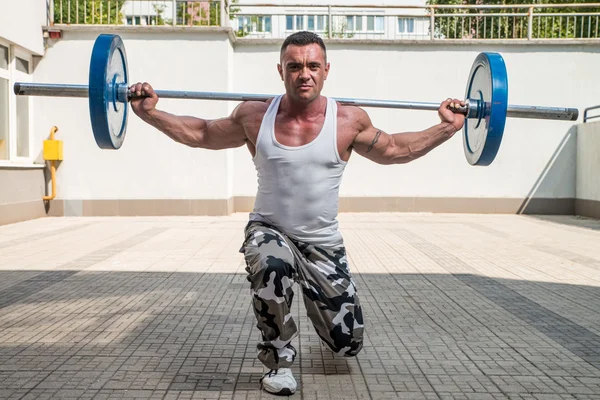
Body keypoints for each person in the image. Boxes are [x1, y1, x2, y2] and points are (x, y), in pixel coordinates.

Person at [129, 31, 465, 396]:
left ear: (326, 70)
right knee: (272, 264)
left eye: (312, 66)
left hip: (323, 245)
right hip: (269, 230)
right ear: (281, 70)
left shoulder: (348, 120)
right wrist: (150, 113)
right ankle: (278, 361)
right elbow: (202, 132)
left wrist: (448, 126)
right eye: (294, 66)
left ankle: (317, 303)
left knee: (347, 344)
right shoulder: (254, 115)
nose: (304, 73)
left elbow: (398, 149)